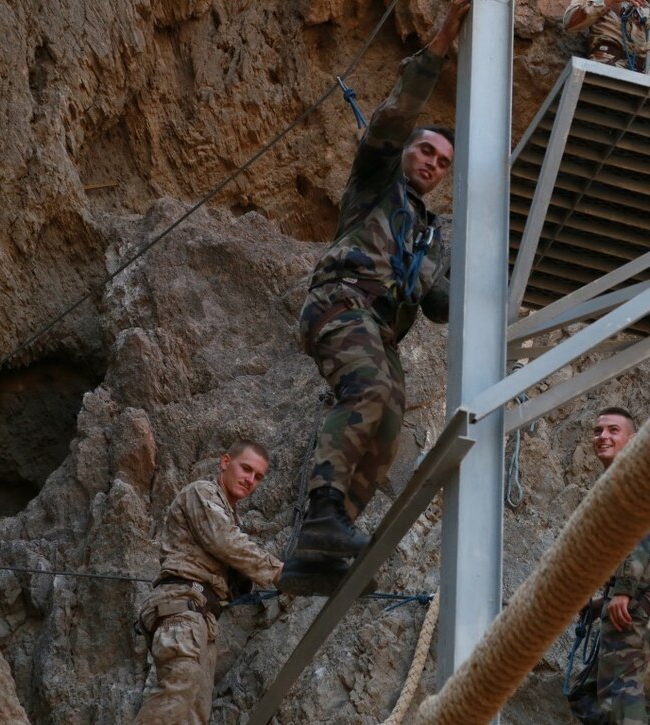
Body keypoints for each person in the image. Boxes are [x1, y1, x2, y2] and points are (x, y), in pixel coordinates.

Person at [281, 0, 472, 594]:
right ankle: (322, 515)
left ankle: (322, 548)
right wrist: (441, 42)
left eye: (443, 162)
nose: (432, 164)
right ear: (408, 151)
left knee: (386, 427)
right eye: (426, 151)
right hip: (344, 300)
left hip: (383, 329)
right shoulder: (377, 178)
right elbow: (396, 114)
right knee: (365, 390)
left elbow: (438, 305)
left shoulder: (430, 233)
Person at [134, 441, 283, 724]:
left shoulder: (230, 516)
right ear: (225, 462)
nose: (250, 479)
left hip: (203, 619)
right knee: (178, 691)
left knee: (194, 715)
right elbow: (224, 541)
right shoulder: (201, 492)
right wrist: (278, 572)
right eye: (246, 469)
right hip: (182, 608)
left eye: (258, 476)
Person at [567, 407, 650, 725]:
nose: (603, 436)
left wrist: (623, 592)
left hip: (636, 600)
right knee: (585, 696)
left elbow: (642, 533)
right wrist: (603, 600)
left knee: (621, 692)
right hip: (627, 597)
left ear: (632, 440)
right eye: (598, 431)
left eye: (613, 430)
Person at [563, 0, 650, 72]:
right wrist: (608, 1)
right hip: (606, 66)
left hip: (641, 75)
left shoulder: (646, 6)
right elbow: (569, 23)